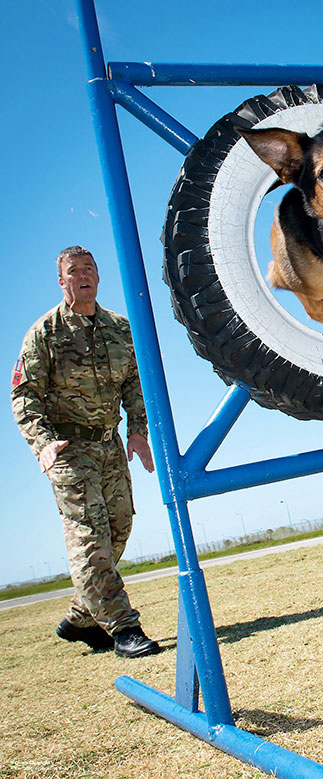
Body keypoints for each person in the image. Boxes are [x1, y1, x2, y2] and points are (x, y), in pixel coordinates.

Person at [11, 246, 161, 658]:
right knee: (89, 536)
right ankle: (123, 626)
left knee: (119, 527)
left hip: (109, 444)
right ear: (62, 282)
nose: (83, 276)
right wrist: (43, 444)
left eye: (89, 269)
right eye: (74, 271)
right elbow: (24, 395)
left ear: (99, 277)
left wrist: (138, 432)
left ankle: (81, 618)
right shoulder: (45, 332)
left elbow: (135, 383)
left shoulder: (119, 329)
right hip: (68, 448)